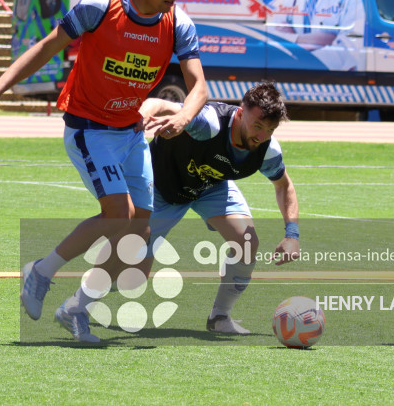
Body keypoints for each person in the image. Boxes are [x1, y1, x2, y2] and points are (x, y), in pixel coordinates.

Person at [0, 0, 208, 339]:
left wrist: (183, 114)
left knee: (138, 238)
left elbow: (198, 87)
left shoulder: (178, 23)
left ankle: (77, 306)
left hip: (131, 133)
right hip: (90, 129)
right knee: (117, 215)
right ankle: (40, 272)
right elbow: (45, 47)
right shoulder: (99, 7)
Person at [55, 82, 299, 342]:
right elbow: (161, 104)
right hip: (162, 188)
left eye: (269, 130)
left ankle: (220, 317)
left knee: (247, 241)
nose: (261, 136)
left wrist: (292, 234)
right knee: (131, 278)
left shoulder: (267, 150)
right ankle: (76, 305)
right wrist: (144, 112)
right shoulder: (207, 122)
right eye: (257, 126)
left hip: (210, 187)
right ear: (240, 113)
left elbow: (284, 186)